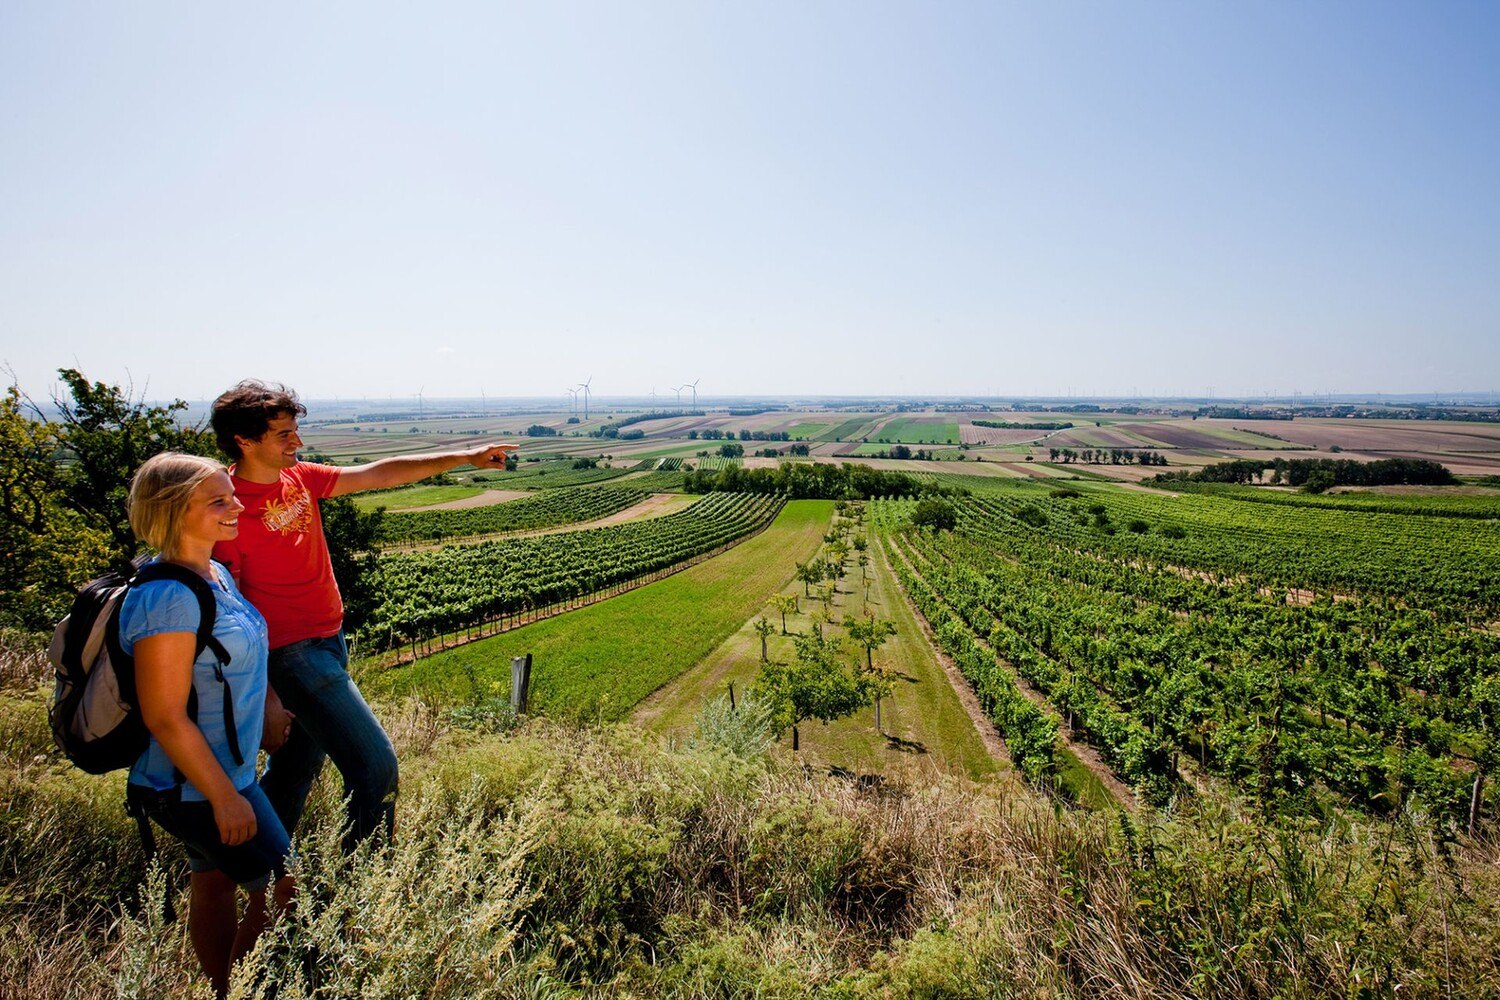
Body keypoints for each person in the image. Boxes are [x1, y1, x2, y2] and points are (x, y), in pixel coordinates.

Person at [209, 381, 516, 852]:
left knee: (294, 769)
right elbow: (229, 608)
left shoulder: (300, 478)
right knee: (376, 766)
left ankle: (261, 871)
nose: (298, 442)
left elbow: (379, 474)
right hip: (289, 654)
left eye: (296, 431)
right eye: (285, 434)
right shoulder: (227, 509)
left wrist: (465, 455)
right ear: (244, 441)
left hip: (329, 638)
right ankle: (363, 887)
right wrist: (267, 691)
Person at [122, 452, 291, 998]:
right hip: (196, 785)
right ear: (172, 511)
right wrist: (225, 797)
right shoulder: (167, 597)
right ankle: (240, 993)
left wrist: (265, 703)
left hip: (223, 773)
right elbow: (165, 716)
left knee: (214, 883)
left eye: (231, 495)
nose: (236, 505)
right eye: (218, 500)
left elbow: (237, 652)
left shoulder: (213, 573)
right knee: (292, 890)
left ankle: (221, 987)